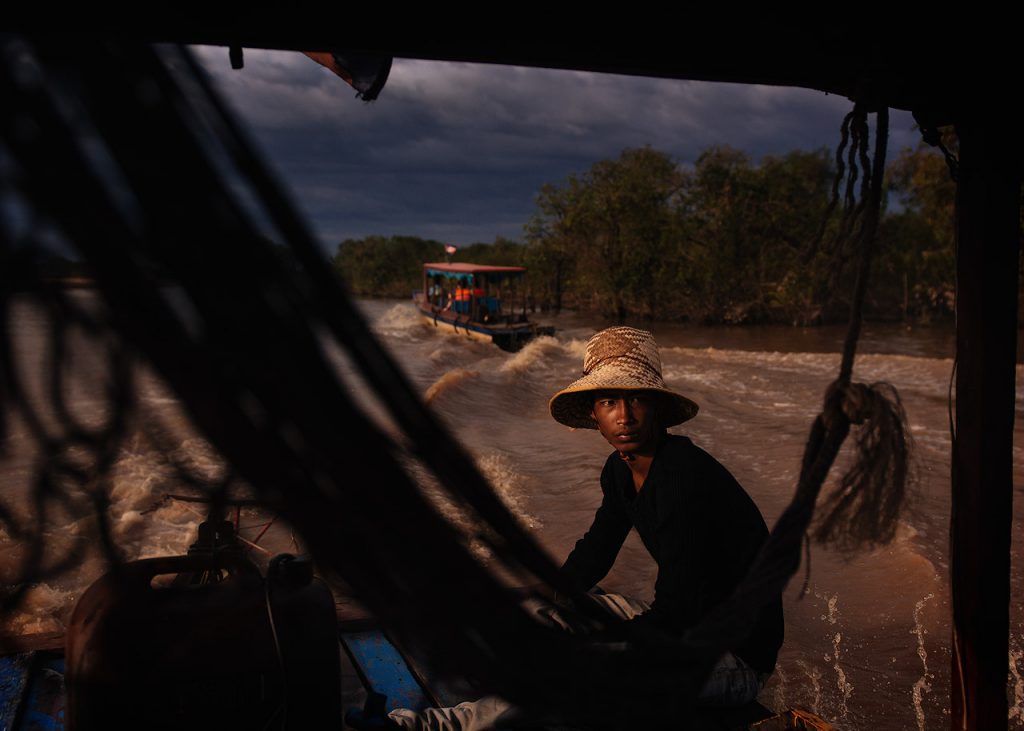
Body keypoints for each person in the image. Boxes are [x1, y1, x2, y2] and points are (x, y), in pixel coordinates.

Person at [352, 326, 782, 730]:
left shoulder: (684, 477)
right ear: (594, 415)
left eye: (636, 400)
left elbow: (681, 604)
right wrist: (555, 601)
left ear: (659, 408)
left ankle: (428, 725)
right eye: (609, 402)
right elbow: (597, 548)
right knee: (540, 611)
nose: (625, 416)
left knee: (577, 673)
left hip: (728, 659)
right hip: (680, 628)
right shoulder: (620, 470)